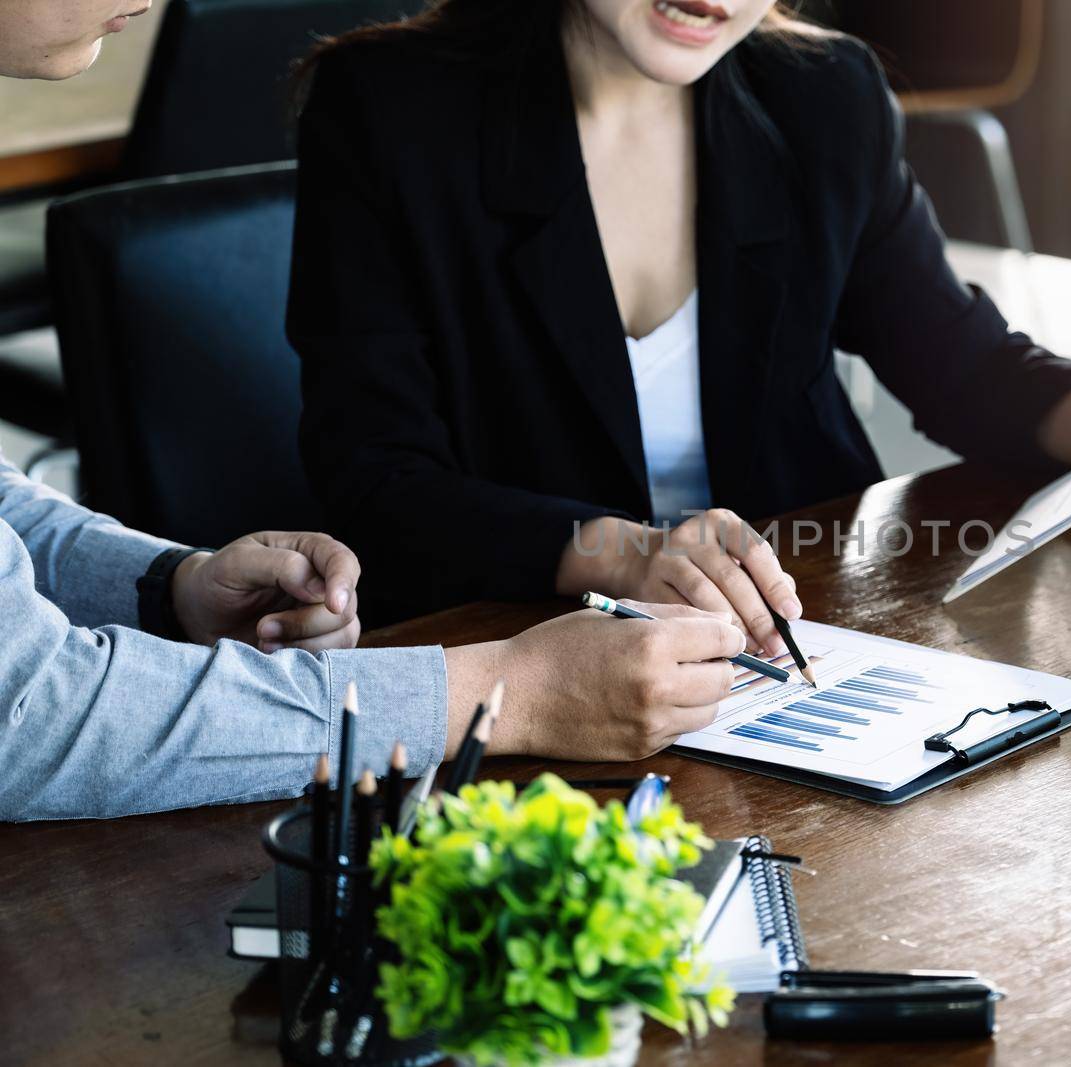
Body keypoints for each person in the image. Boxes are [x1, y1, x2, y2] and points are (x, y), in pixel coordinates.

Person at [289, 0, 1071, 649]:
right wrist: (627, 551)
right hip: (525, 645)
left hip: (797, 630)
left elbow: (956, 359)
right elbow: (375, 477)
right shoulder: (388, 110)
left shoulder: (823, 95)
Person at [0, 0, 752, 822]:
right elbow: (27, 718)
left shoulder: (807, 92)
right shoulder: (397, 103)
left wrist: (164, 586)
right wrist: (510, 690)